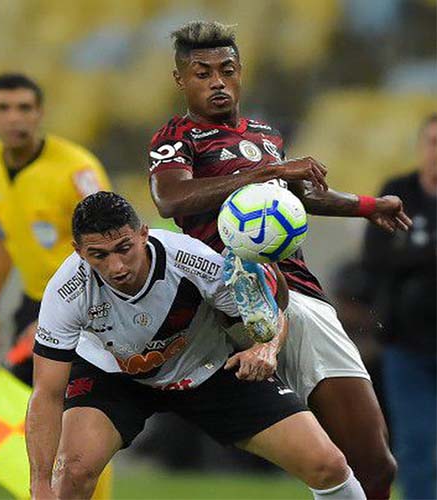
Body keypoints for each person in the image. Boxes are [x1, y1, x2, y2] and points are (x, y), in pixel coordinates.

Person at [146, 21, 409, 498]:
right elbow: (172, 199)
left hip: (302, 295)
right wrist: (267, 171)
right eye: (202, 73)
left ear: (241, 72)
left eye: (226, 70)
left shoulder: (264, 133)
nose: (217, 82)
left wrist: (370, 206)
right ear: (180, 80)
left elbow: (299, 197)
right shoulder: (177, 137)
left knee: (374, 464)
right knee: (323, 462)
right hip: (233, 296)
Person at [27, 191, 366, 500]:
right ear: (78, 251)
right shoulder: (66, 292)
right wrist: (40, 485)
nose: (115, 267)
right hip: (114, 375)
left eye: (124, 248)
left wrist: (267, 348)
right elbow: (46, 393)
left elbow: (268, 312)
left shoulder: (194, 262)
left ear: (143, 234)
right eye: (98, 255)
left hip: (207, 367)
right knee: (71, 476)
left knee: (328, 465)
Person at [0, 73, 111, 385]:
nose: (14, 118)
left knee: (67, 412)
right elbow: (0, 235)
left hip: (87, 306)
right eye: (3, 108)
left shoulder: (76, 170)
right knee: (20, 413)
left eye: (24, 108)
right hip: (34, 304)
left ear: (40, 114)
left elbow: (113, 247)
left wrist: (62, 316)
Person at [362, 113, 436, 500]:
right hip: (407, 344)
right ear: (420, 147)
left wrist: (415, 252)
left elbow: (396, 256)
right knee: (416, 442)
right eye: (433, 141)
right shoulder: (397, 191)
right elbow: (373, 257)